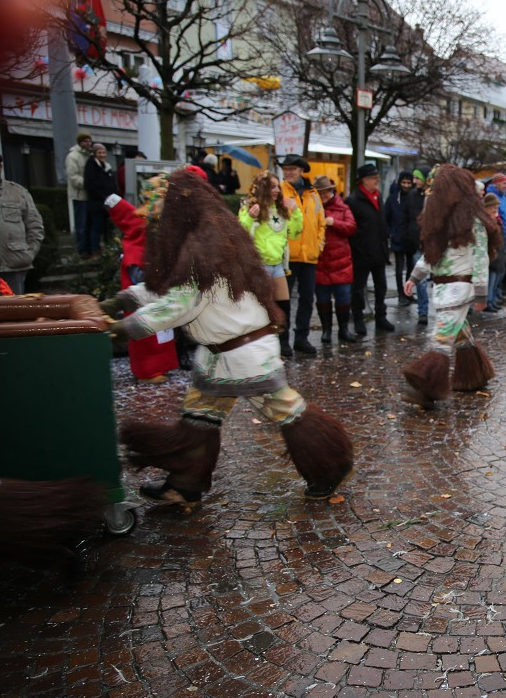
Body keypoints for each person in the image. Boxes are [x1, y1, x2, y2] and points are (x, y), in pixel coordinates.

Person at [100, 169, 355, 506]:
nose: (152, 210)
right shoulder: (201, 234)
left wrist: (122, 327)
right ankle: (185, 485)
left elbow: (183, 301)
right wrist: (123, 300)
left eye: (157, 201)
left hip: (244, 353)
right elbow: (172, 289)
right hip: (222, 352)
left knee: (285, 410)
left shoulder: (202, 241)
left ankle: (331, 466)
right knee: (199, 418)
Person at [401, 165, 500, 408]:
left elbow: (480, 258)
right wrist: (415, 277)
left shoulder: (474, 221)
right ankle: (474, 374)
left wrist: (480, 292)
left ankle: (426, 388)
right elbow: (432, 253)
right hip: (442, 287)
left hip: (460, 287)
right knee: (459, 332)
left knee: (441, 337)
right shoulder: (442, 218)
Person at [103, 181, 179, 383]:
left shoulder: (155, 229)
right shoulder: (141, 233)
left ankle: (162, 365)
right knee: (146, 333)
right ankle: (148, 370)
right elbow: (137, 266)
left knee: (161, 330)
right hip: (146, 290)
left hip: (157, 288)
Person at [239, 171, 303, 359]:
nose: (277, 190)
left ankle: (282, 343)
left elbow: (295, 233)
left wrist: (296, 211)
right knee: (261, 308)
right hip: (259, 266)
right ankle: (260, 345)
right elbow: (240, 233)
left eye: (277, 186)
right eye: (272, 186)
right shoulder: (250, 207)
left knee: (284, 306)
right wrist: (250, 217)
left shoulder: (281, 210)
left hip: (277, 266)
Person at [279, 154, 326, 355]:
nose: (288, 173)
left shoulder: (313, 193)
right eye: (286, 169)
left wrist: (318, 245)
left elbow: (321, 222)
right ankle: (282, 340)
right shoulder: (279, 191)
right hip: (287, 256)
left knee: (307, 298)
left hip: (309, 256)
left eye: (292, 169)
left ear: (301, 171)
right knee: (284, 300)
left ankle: (301, 338)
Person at [346, 163, 395, 336]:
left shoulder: (378, 197)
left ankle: (381, 317)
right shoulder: (353, 200)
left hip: (379, 252)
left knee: (381, 287)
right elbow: (351, 229)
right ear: (364, 180)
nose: (377, 181)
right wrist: (358, 248)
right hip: (362, 253)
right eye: (374, 178)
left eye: (377, 177)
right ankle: (358, 318)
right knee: (358, 289)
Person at [0, 149, 44, 295]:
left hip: (14, 264)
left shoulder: (18, 192)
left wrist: (29, 253)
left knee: (14, 310)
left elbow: (35, 226)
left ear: (0, 168)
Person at [313, 175, 357, 344]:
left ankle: (344, 329)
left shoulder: (343, 208)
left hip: (341, 262)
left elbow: (352, 227)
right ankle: (326, 331)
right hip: (320, 262)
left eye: (326, 192)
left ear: (332, 191)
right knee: (322, 299)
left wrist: (334, 222)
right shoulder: (313, 208)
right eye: (320, 193)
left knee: (343, 298)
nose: (324, 196)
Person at [385, 171, 415, 306]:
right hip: (398, 237)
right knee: (399, 269)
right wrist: (390, 232)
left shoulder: (413, 198)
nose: (406, 185)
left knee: (411, 267)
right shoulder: (392, 199)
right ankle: (401, 294)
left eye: (409, 183)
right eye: (404, 182)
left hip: (411, 238)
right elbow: (386, 218)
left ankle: (408, 293)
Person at [83, 143, 117, 256]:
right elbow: (90, 184)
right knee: (96, 227)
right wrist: (102, 196)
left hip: (108, 202)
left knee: (107, 227)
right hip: (97, 202)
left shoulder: (106, 166)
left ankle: (108, 248)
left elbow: (111, 183)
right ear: (95, 153)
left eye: (104, 153)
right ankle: (95, 249)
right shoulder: (91, 165)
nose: (102, 155)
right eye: (100, 153)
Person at [406, 169, 429, 325]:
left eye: (417, 178)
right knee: (420, 279)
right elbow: (407, 218)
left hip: (428, 243)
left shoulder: (431, 197)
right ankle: (422, 311)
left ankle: (424, 310)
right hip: (416, 243)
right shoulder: (412, 196)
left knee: (424, 279)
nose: (414, 181)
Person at [65, 132, 93, 258]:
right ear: (80, 142)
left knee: (90, 224)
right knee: (81, 225)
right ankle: (82, 250)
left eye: (89, 141)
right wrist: (88, 183)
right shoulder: (73, 156)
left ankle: (90, 249)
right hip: (80, 196)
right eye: (86, 141)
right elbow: (73, 177)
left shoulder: (89, 155)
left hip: (91, 196)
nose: (88, 143)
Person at [483, 192, 506, 313]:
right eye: (493, 207)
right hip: (492, 256)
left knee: (494, 281)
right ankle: (488, 302)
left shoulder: (495, 219)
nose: (495, 210)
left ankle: (491, 301)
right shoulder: (486, 221)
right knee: (490, 282)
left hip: (498, 254)